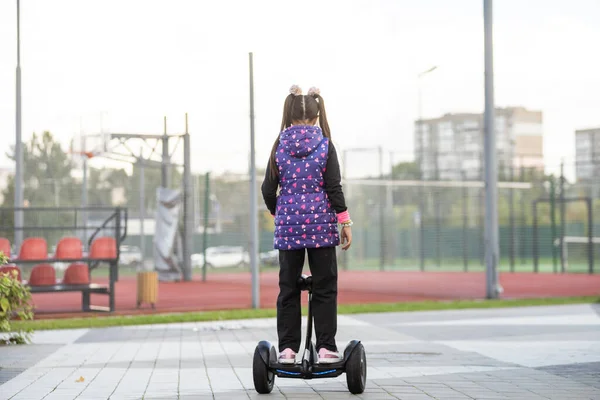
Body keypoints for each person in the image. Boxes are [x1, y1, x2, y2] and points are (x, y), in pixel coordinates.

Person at [261, 85, 353, 365]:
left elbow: (267, 189)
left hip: (288, 230)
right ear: (316, 117)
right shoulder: (325, 145)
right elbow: (333, 187)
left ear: (289, 116)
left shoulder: (279, 145)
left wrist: (283, 214)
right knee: (325, 286)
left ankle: (287, 350)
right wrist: (345, 222)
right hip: (322, 230)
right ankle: (326, 347)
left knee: (288, 288)